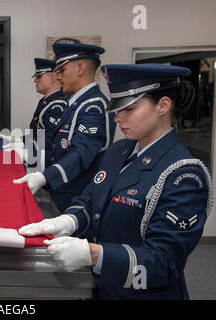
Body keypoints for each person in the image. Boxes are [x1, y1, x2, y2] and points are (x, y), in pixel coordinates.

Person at [18, 63, 213, 299]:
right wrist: (68, 221)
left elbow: (164, 264)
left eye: (128, 108)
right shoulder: (119, 151)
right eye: (117, 108)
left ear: (163, 105)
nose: (118, 117)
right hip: (103, 287)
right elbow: (91, 200)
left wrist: (95, 255)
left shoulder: (183, 175)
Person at [15, 40, 116, 212]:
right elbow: (56, 146)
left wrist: (44, 176)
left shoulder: (93, 106)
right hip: (61, 192)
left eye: (62, 70)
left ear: (80, 69)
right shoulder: (76, 103)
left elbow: (80, 154)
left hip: (77, 199)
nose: (58, 77)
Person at [27, 58, 69, 168]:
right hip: (38, 160)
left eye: (39, 76)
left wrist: (27, 154)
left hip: (46, 167)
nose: (35, 80)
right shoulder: (46, 101)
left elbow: (50, 146)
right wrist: (16, 140)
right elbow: (36, 136)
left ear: (52, 77)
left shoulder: (57, 106)